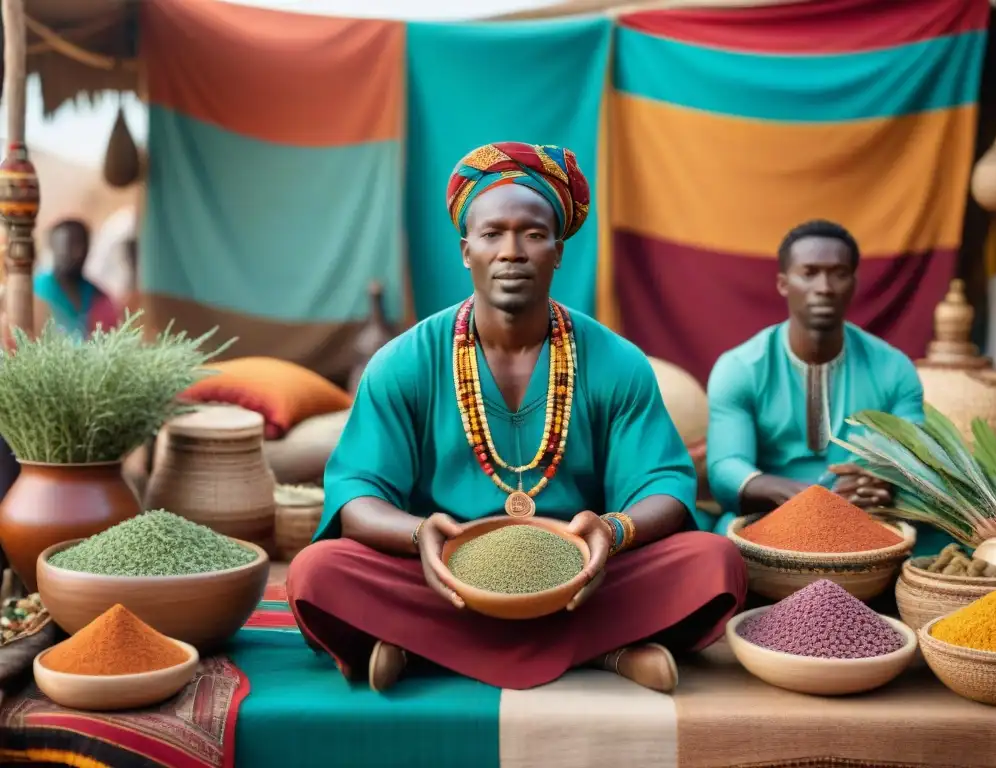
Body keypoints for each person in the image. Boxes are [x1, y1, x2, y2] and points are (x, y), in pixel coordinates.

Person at [287, 142, 747, 694]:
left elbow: (664, 486)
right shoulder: (404, 362)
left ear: (558, 251)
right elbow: (357, 489)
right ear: (465, 251)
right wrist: (419, 536)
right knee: (318, 572)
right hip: (443, 575)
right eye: (492, 234)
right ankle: (608, 651)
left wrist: (611, 530)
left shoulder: (616, 361)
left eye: (532, 234)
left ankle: (421, 647)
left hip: (584, 577)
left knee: (715, 560)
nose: (512, 251)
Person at [703, 219, 951, 556]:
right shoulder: (740, 368)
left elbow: (910, 454)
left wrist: (884, 478)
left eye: (838, 273)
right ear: (783, 283)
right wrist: (813, 499)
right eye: (809, 273)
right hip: (769, 515)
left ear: (853, 282)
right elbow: (726, 469)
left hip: (869, 517)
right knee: (717, 551)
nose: (825, 287)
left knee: (944, 546)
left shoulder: (894, 369)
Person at [33, 219, 119, 338]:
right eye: (69, 246)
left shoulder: (98, 296)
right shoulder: (36, 291)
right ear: (52, 247)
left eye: (82, 245)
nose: (78, 253)